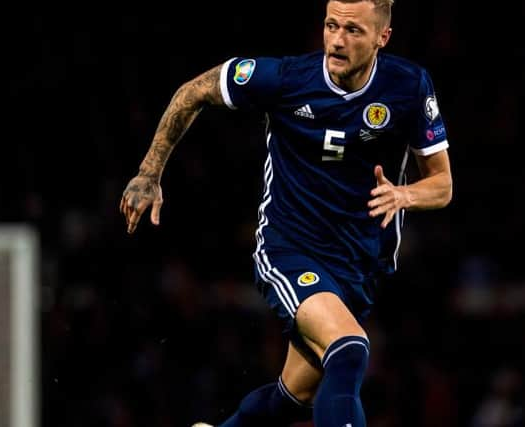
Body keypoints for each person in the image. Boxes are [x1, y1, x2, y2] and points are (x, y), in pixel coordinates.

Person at [119, 0, 453, 426]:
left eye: (353, 31)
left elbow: (442, 185)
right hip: (290, 249)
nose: (337, 40)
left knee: (294, 396)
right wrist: (150, 172)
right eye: (331, 25)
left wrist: (405, 195)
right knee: (349, 349)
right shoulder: (286, 79)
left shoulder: (409, 86)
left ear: (382, 38)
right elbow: (194, 91)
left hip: (357, 263)